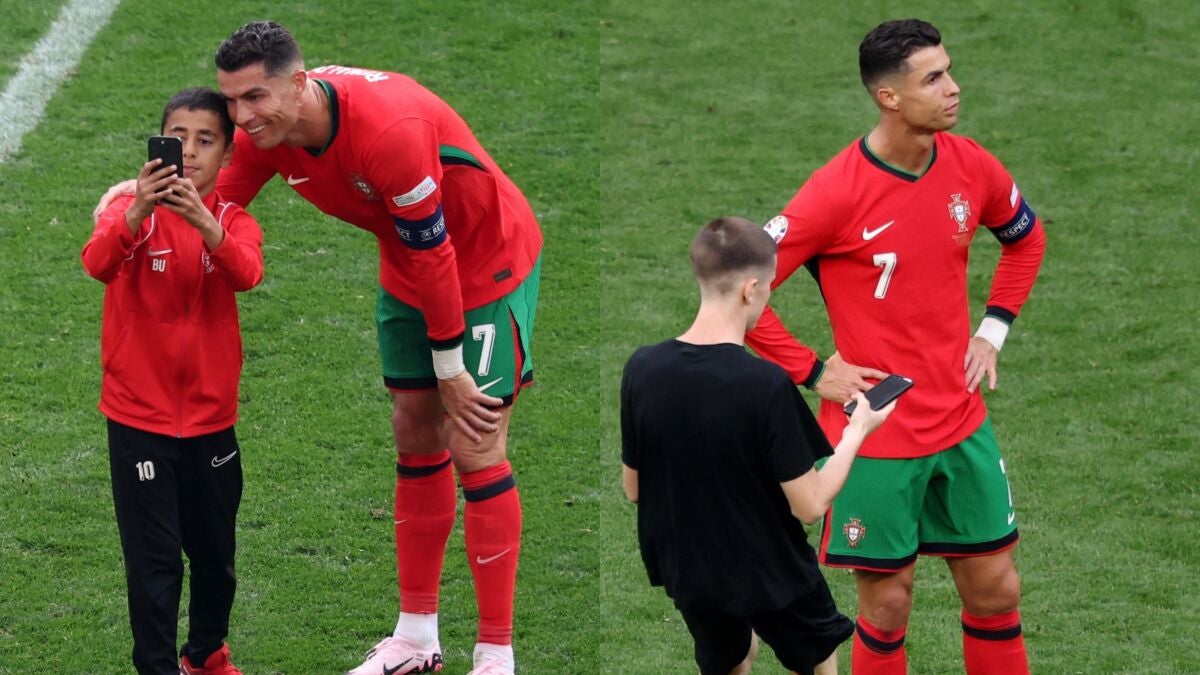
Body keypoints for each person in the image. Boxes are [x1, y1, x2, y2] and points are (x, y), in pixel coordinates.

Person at [95, 20, 542, 675]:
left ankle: (496, 654)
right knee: (414, 431)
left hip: (483, 262)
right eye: (232, 100)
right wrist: (135, 205)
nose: (242, 117)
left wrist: (450, 368)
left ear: (300, 84)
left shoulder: (389, 133)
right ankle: (417, 636)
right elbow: (213, 206)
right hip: (408, 267)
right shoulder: (268, 136)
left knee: (475, 440)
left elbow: (438, 252)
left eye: (255, 97)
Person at [745, 19, 1047, 675]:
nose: (953, 88)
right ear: (889, 97)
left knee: (997, 589)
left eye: (949, 71)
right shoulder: (835, 192)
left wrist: (992, 330)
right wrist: (812, 370)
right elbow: (740, 290)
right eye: (933, 79)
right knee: (886, 605)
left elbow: (1025, 238)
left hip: (960, 421)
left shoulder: (972, 165)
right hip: (876, 437)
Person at [620, 217, 896, 675]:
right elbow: (810, 504)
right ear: (750, 290)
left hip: (689, 569)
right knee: (819, 657)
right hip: (771, 571)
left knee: (732, 656)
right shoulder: (764, 384)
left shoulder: (641, 368)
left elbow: (634, 489)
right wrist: (858, 430)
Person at [82, 87, 264, 675]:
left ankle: (206, 654)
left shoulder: (234, 222)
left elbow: (247, 273)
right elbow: (96, 263)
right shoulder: (126, 210)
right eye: (177, 137)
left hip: (211, 421)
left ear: (227, 155)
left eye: (205, 140)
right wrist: (137, 210)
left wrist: (203, 222)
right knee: (154, 562)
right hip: (139, 420)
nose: (188, 151)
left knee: (215, 555)